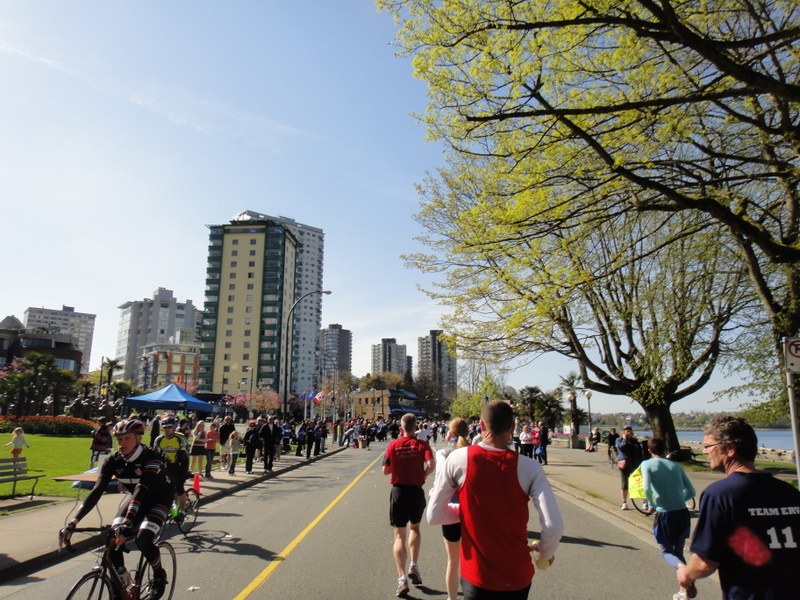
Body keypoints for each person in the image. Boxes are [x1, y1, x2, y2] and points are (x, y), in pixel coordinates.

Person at [428, 401, 563, 600]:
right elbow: (553, 526)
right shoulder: (531, 467)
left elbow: (434, 516)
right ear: (512, 428)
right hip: (517, 575)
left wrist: (467, 511)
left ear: (482, 426)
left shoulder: (457, 459)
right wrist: (545, 552)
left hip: (477, 576)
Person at [677, 416, 800, 600]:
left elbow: (705, 563)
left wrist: (686, 575)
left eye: (709, 446)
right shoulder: (790, 492)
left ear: (730, 449)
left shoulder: (720, 495)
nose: (704, 452)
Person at [59, 419, 173, 600]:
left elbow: (142, 488)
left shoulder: (152, 457)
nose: (122, 443)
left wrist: (129, 521)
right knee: (113, 538)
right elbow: (97, 490)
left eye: (127, 438)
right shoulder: (114, 460)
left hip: (159, 499)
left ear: (138, 438)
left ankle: (159, 574)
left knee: (143, 539)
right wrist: (73, 522)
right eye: (119, 439)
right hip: (137, 499)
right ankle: (121, 580)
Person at [383, 413, 435, 598]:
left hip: (398, 491)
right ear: (416, 427)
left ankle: (402, 578)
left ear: (401, 428)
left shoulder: (393, 445)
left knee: (399, 535)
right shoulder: (422, 445)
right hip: (416, 490)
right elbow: (431, 464)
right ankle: (414, 564)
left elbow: (385, 469)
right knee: (415, 528)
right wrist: (423, 474)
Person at [640, 437, 696, 600]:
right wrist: (679, 498)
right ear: (664, 450)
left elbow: (646, 487)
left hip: (664, 513)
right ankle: (684, 591)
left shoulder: (647, 464)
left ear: (650, 451)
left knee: (666, 551)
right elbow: (691, 492)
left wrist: (652, 504)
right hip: (682, 513)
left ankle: (684, 572)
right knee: (678, 551)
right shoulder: (676, 466)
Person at [431, 417, 470, 600]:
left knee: (453, 561)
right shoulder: (473, 452)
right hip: (472, 510)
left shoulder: (443, 454)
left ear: (450, 433)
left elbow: (440, 480)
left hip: (450, 509)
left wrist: (433, 493)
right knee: (476, 560)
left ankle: (452, 598)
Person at [153, 416, 190, 516]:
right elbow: (156, 455)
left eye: (169, 427)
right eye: (165, 427)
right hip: (168, 463)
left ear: (174, 427)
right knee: (166, 487)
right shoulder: (159, 440)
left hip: (181, 463)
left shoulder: (180, 438)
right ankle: (170, 507)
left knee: (179, 487)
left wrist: (177, 473)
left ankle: (182, 511)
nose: (167, 429)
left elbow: (182, 454)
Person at [615, 426, 642, 510]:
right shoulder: (619, 440)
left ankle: (644, 502)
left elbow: (639, 453)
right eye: (626, 432)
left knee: (639, 483)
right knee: (625, 484)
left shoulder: (635, 442)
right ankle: (624, 502)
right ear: (623, 433)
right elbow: (621, 448)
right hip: (625, 464)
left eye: (630, 432)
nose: (628, 433)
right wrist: (625, 439)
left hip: (635, 464)